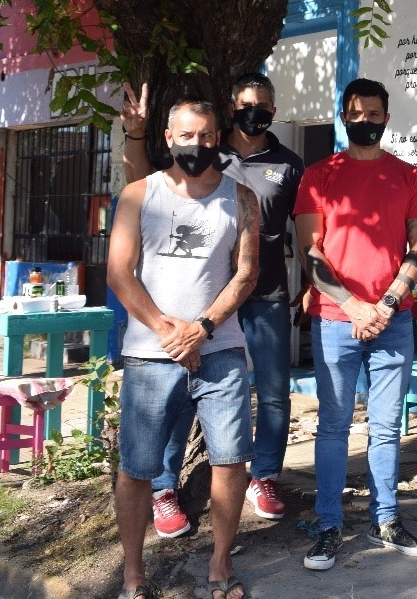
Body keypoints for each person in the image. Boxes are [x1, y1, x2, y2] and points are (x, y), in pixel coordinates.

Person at [122, 75, 304, 537]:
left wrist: (310, 283)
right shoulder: (206, 154)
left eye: (263, 105)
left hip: (264, 293)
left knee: (274, 393)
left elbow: (303, 226)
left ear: (274, 109)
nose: (254, 112)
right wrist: (135, 135)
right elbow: (140, 184)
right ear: (230, 109)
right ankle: (164, 487)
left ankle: (264, 477)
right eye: (245, 104)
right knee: (182, 396)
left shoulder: (288, 163)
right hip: (202, 301)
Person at [107, 98, 260, 599]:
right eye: (187, 135)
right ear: (169, 138)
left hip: (221, 352)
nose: (198, 143)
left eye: (207, 135)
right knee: (137, 469)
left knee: (230, 460)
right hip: (151, 355)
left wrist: (203, 328)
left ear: (219, 137)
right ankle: (133, 575)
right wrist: (168, 331)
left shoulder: (242, 198)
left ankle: (220, 563)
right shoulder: (139, 194)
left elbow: (246, 273)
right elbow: (119, 273)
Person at [294, 78, 417, 570]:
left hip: (392, 322)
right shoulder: (318, 175)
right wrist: (355, 306)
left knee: (386, 426)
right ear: (344, 117)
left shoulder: (408, 176)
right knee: (334, 426)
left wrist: (387, 303)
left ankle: (386, 519)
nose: (366, 121)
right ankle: (329, 526)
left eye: (374, 114)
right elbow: (309, 251)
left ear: (386, 118)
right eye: (356, 114)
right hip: (336, 321)